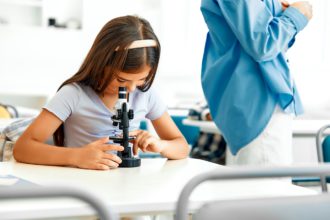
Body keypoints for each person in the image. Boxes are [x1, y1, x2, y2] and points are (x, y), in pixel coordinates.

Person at [13, 15, 189, 170]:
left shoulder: (147, 96)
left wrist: (161, 146)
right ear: (101, 64)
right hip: (83, 187)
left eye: (142, 79)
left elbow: (181, 147)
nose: (132, 89)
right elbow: (23, 148)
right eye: (122, 80)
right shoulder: (73, 94)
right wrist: (77, 156)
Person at [200, 0, 313, 166]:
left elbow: (267, 44)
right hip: (260, 109)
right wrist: (297, 14)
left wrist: (280, 13)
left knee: (259, 187)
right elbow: (263, 44)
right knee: (267, 188)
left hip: (256, 107)